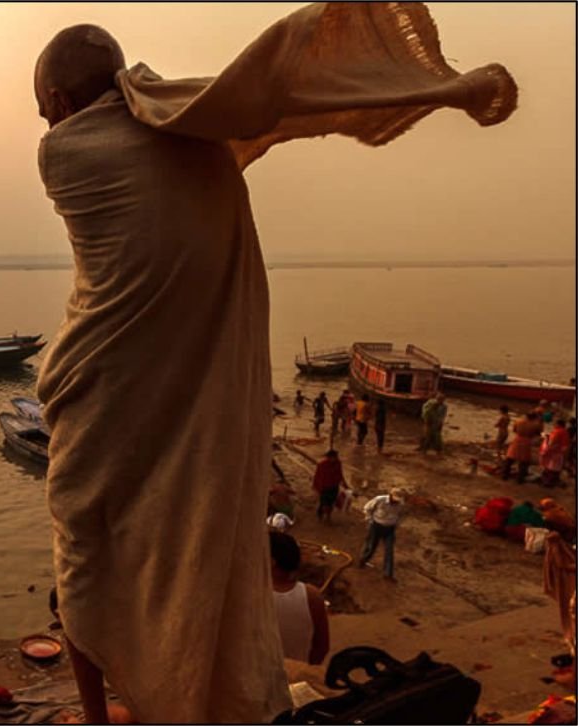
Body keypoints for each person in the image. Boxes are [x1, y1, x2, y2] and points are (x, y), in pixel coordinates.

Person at [31, 8, 514, 722]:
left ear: (65, 106)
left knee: (82, 560)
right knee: (183, 546)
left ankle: (103, 715)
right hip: (161, 391)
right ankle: (182, 684)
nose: (47, 126)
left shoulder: (66, 153)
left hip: (101, 396)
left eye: (46, 110)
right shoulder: (190, 138)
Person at [269, 531, 330, 665]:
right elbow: (322, 647)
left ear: (272, 561)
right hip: (296, 680)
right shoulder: (312, 596)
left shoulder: (254, 595)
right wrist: (302, 669)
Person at [360, 490, 403, 580]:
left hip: (390, 529)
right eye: (395, 499)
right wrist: (370, 520)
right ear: (391, 495)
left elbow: (400, 515)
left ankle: (388, 573)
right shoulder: (380, 500)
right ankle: (363, 560)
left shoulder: (400, 504)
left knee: (389, 550)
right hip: (376, 526)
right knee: (371, 546)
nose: (396, 501)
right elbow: (367, 508)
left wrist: (396, 524)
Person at [503, 412, 544, 483]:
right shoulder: (535, 425)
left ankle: (505, 475)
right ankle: (520, 479)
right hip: (527, 441)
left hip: (517, 439)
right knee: (524, 461)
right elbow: (539, 432)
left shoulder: (518, 421)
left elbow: (514, 430)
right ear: (534, 418)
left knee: (510, 458)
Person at [312, 450, 345, 524]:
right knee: (324, 503)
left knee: (331, 502)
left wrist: (344, 484)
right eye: (333, 457)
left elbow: (340, 473)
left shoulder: (338, 463)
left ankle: (328, 516)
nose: (335, 458)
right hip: (324, 487)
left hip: (334, 486)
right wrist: (316, 487)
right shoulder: (322, 464)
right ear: (329, 457)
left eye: (336, 457)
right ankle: (323, 515)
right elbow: (317, 476)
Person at [540, 418, 570, 486]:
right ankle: (553, 480)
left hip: (554, 452)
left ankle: (548, 482)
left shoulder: (557, 432)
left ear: (558, 424)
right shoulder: (565, 432)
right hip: (560, 453)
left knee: (550, 467)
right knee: (556, 468)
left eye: (555, 424)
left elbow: (552, 442)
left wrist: (546, 448)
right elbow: (565, 445)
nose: (554, 425)